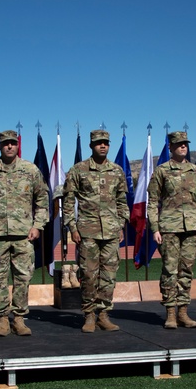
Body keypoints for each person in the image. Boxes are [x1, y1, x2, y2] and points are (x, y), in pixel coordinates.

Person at [0, 130, 49, 336]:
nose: (10, 146)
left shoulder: (30, 171)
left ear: (18, 145)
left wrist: (37, 225)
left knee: (23, 278)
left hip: (24, 235)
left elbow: (42, 200)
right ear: (0, 146)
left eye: (13, 143)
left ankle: (20, 319)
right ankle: (3, 319)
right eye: (6, 143)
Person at [62, 129, 130, 333]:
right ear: (91, 146)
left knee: (109, 276)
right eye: (99, 143)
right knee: (89, 275)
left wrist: (121, 224)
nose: (103, 146)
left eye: (106, 143)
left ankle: (103, 314)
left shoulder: (117, 171)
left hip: (110, 231)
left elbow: (122, 201)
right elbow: (68, 202)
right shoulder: (78, 170)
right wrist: (72, 227)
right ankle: (89, 315)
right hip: (87, 231)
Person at [146, 131, 196, 329]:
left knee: (186, 270)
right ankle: (170, 312)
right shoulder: (162, 171)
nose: (183, 146)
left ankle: (183, 312)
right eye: (179, 144)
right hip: (169, 228)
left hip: (191, 227)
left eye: (185, 144)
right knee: (170, 270)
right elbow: (153, 201)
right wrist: (155, 227)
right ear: (171, 147)